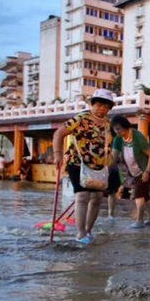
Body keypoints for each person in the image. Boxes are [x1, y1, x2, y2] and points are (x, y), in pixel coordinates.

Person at [52, 88, 115, 244]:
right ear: (92, 104)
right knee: (82, 196)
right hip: (77, 162)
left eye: (106, 106)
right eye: (99, 105)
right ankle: (80, 233)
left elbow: (110, 144)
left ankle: (88, 230)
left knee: (97, 198)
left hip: (98, 166)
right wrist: (58, 154)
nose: (102, 109)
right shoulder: (80, 119)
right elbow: (59, 134)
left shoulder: (109, 123)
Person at [111, 116, 150, 228]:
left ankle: (139, 220)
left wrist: (147, 171)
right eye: (115, 129)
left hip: (146, 169)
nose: (117, 131)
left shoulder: (137, 136)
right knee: (145, 195)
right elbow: (113, 157)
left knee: (138, 194)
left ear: (125, 127)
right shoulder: (118, 139)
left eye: (118, 129)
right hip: (134, 171)